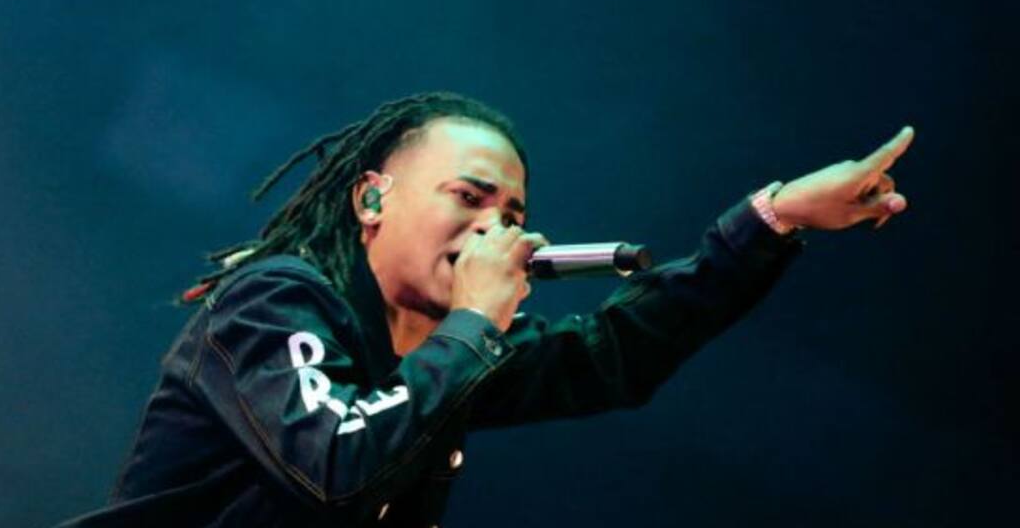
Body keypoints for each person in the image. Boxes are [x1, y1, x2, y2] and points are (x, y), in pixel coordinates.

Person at [59, 92, 912, 527]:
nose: (495, 227)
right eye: (468, 197)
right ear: (371, 200)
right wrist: (474, 324)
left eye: (511, 213)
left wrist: (774, 218)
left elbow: (616, 352)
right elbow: (337, 466)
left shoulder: (446, 349)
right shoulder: (272, 300)